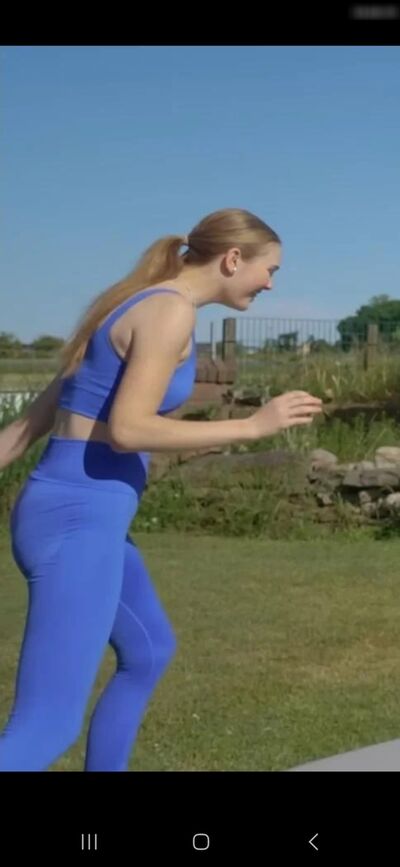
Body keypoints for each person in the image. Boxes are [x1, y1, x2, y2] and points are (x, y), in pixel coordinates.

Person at [0, 207, 323, 771]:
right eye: (269, 270)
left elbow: (29, 426)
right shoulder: (168, 311)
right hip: (78, 518)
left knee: (149, 651)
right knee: (47, 724)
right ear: (233, 259)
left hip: (81, 514)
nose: (270, 284)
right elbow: (128, 430)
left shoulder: (127, 303)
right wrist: (253, 426)